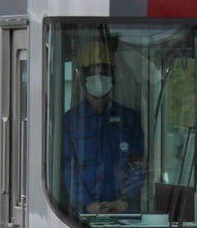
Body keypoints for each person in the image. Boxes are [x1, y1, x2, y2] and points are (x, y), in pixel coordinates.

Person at [63, 42, 146, 214]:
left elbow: (138, 164)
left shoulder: (130, 119)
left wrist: (124, 200)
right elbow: (68, 169)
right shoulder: (70, 121)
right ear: (83, 80)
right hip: (84, 218)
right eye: (93, 73)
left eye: (104, 73)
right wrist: (88, 204)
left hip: (125, 215)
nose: (99, 79)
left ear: (113, 79)